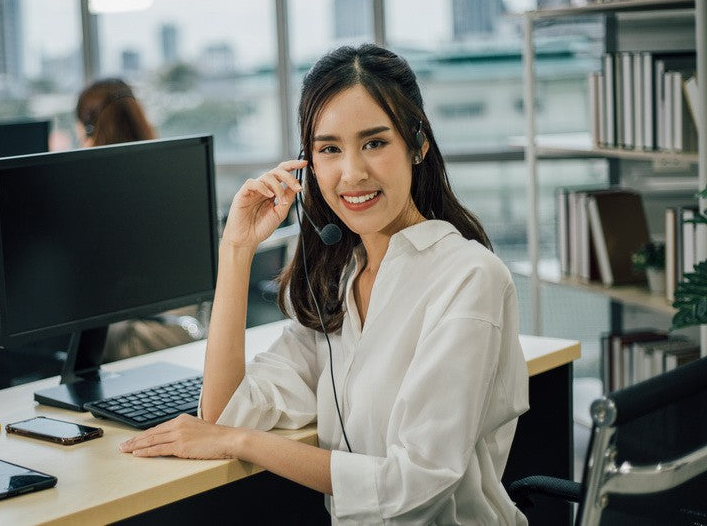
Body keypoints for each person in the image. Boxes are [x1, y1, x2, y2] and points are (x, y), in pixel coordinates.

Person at [118, 44, 530, 524]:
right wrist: (235, 251)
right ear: (308, 163)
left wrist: (241, 442)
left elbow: (417, 481)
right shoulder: (340, 281)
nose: (352, 173)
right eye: (329, 149)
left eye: (374, 143)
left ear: (418, 145)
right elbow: (225, 412)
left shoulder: (468, 278)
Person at [74, 78, 202, 361]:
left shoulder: (97, 195)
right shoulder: (175, 178)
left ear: (88, 129)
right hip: (188, 331)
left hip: (137, 339)